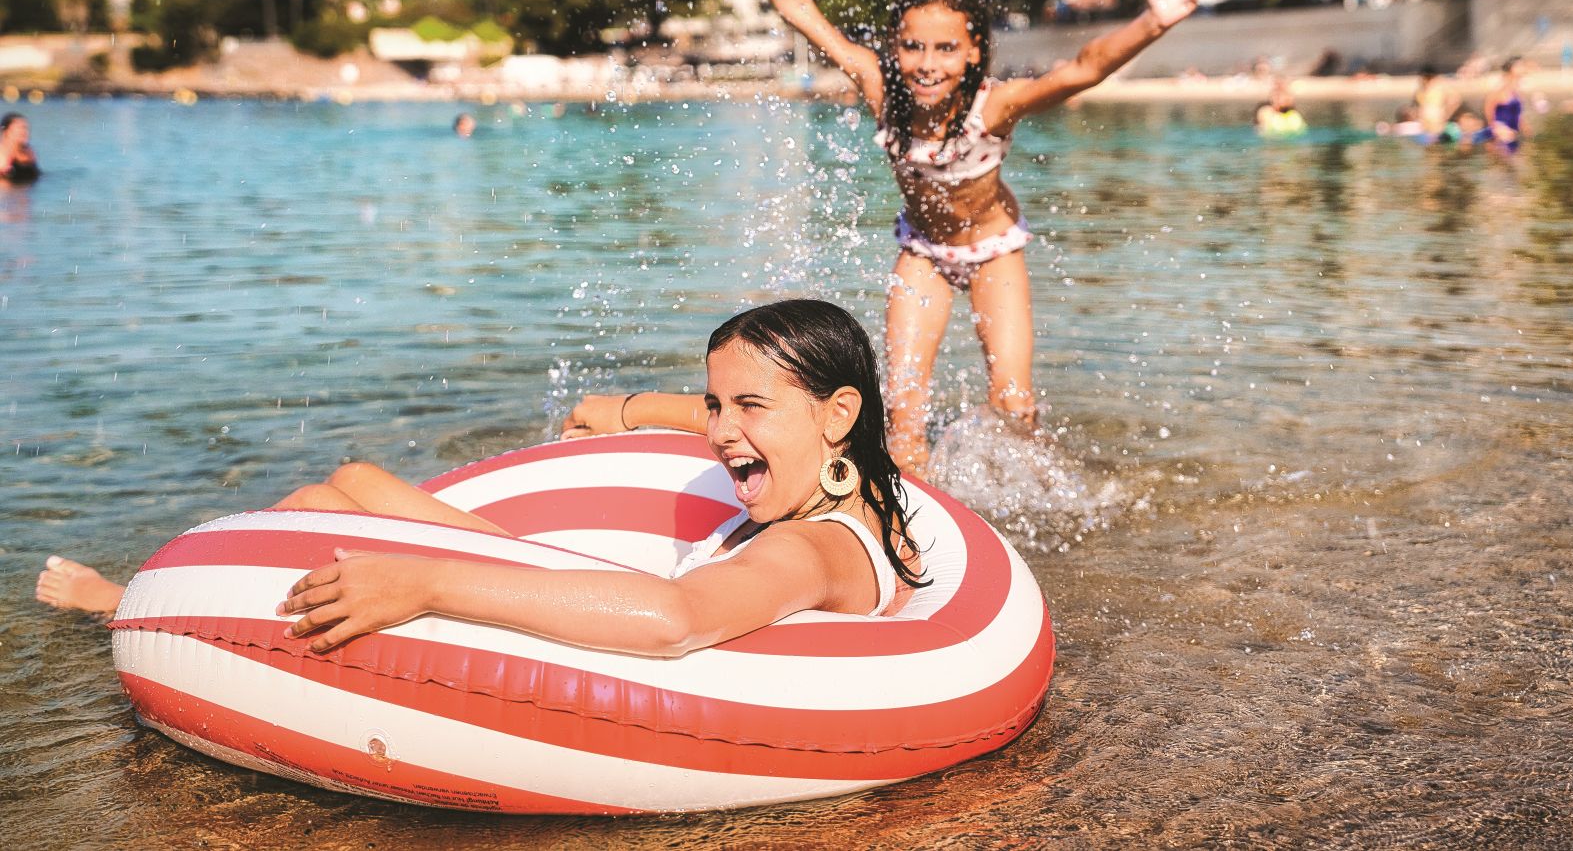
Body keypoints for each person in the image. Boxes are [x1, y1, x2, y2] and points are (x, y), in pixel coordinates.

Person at [38, 299, 926, 654]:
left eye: (747, 407)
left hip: (622, 625)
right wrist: (623, 409)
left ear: (837, 414)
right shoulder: (826, 470)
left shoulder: (812, 548)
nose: (720, 430)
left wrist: (424, 584)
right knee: (354, 478)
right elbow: (723, 419)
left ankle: (138, 605)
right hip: (607, 579)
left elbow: (675, 619)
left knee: (316, 506)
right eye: (713, 403)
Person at [699, 0, 1206, 472]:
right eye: (912, 46)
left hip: (994, 252)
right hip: (923, 252)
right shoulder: (880, 90)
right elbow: (799, 10)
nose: (927, 64)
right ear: (894, 46)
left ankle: (1032, 494)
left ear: (972, 53)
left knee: (1014, 406)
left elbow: (1083, 68)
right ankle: (913, 513)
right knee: (902, 414)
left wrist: (1155, 21)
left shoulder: (994, 107)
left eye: (946, 48)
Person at [1483, 59, 1526, 152]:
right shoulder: (1503, 84)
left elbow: (1516, 111)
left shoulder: (1516, 87)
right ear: (1511, 69)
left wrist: (1523, 126)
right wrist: (1494, 126)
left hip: (1513, 131)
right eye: (1519, 66)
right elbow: (1489, 105)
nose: (1522, 68)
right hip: (1502, 131)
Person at [1, 112, 41, 183]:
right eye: (19, 128)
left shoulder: (28, 151)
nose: (25, 132)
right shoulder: (2, 154)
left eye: (26, 128)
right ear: (6, 131)